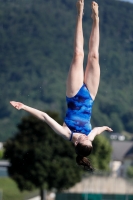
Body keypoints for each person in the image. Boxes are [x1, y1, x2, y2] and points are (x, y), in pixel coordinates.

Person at [10, 0, 113, 171]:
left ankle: (79, 13)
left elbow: (44, 117)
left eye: (83, 139)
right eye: (88, 139)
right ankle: (96, 19)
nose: (85, 136)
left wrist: (24, 106)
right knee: (94, 56)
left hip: (74, 95)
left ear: (76, 144)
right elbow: (96, 130)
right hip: (90, 96)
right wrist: (105, 127)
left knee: (78, 55)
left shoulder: (66, 133)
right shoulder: (89, 138)